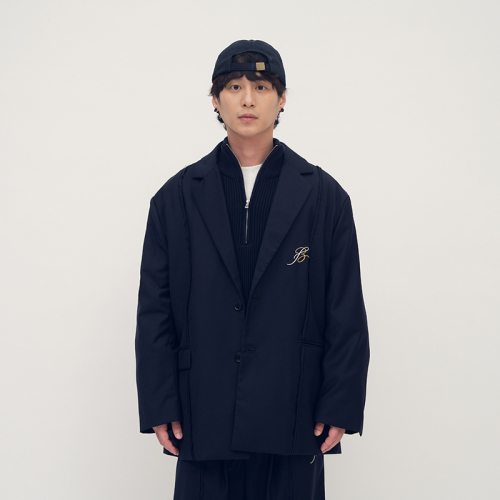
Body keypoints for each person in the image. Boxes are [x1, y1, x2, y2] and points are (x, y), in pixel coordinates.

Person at [135, 39, 370, 500]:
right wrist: (160, 403)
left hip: (294, 409)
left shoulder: (324, 198)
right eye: (234, 87)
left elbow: (345, 309)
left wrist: (340, 404)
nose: (247, 99)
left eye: (261, 87)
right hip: (204, 409)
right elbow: (154, 310)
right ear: (215, 100)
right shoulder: (175, 198)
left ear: (281, 99)